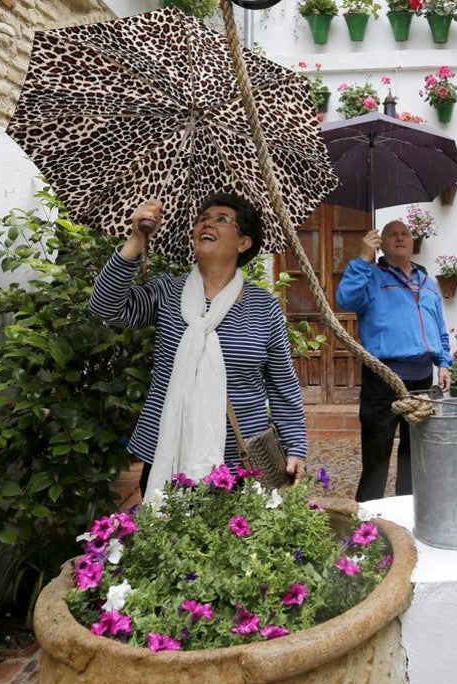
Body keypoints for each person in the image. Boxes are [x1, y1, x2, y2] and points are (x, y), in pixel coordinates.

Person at [89, 193, 306, 496]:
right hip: (168, 451)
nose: (207, 223)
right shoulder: (168, 291)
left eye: (221, 220)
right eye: (203, 219)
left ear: (243, 243)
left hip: (240, 458)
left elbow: (283, 383)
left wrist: (296, 446)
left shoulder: (263, 306)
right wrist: (136, 237)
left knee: (239, 541)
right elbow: (105, 306)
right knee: (168, 540)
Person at [336, 219, 452, 502]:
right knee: (376, 457)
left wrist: (444, 362)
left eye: (405, 234)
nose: (400, 238)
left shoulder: (428, 282)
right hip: (383, 378)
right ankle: (367, 525)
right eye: (392, 235)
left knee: (414, 457)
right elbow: (345, 299)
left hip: (422, 381)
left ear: (412, 242)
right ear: (382, 243)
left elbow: (439, 328)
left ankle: (409, 516)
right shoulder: (371, 276)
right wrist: (363, 257)